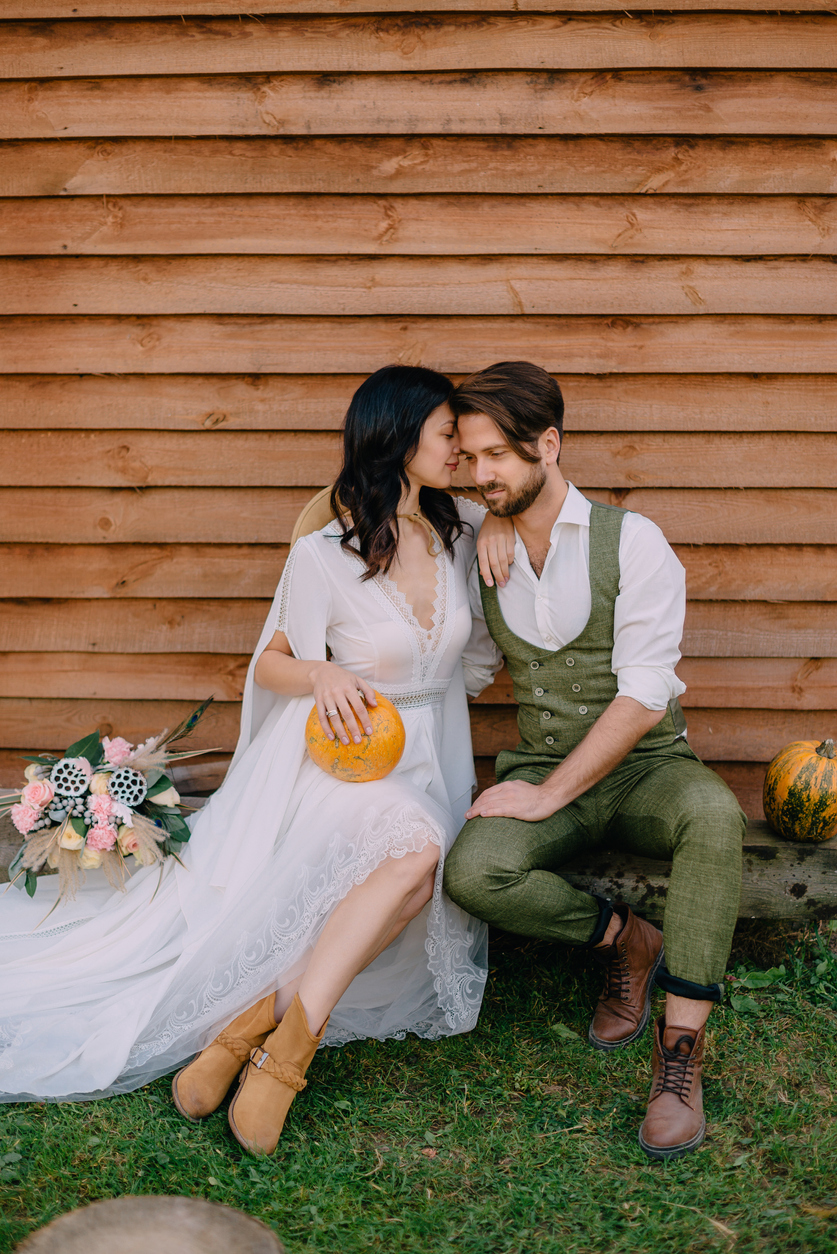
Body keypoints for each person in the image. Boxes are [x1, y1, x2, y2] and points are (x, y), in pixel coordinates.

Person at [0, 365, 504, 1156]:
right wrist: (322, 670)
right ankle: (286, 1057)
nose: (464, 454)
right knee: (414, 856)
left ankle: (245, 1027)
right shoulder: (323, 557)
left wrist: (501, 527)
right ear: (399, 437)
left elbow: (494, 591)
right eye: (448, 435)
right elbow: (270, 665)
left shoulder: (466, 531)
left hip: (432, 757)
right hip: (345, 766)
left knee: (406, 881)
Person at [443, 361, 746, 1160]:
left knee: (713, 816)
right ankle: (624, 940)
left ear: (548, 443)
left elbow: (645, 694)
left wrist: (547, 798)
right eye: (469, 459)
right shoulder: (479, 535)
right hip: (541, 759)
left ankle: (679, 1051)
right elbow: (469, 662)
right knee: (474, 873)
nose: (480, 475)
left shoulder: (634, 542)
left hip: (648, 767)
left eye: (498, 456)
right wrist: (493, 518)